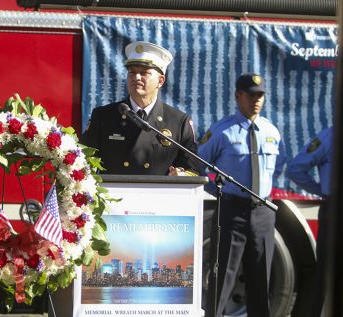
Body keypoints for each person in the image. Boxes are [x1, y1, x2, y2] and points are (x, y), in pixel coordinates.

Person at [199, 73, 285, 317]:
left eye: (260, 96)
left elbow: (279, 165)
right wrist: (218, 191)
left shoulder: (271, 131)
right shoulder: (222, 131)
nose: (256, 101)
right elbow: (198, 165)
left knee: (260, 282)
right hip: (232, 211)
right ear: (239, 96)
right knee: (222, 279)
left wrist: (263, 192)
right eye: (251, 95)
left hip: (263, 214)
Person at [82, 41, 201, 176]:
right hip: (114, 194)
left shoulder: (178, 121)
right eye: (132, 72)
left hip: (158, 195)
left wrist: (182, 174)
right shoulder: (103, 116)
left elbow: (193, 168)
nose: (136, 77)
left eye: (144, 73)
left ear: (160, 81)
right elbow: (83, 160)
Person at [286, 127, 333, 317]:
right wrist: (322, 191)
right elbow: (296, 169)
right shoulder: (330, 137)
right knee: (327, 276)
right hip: (335, 211)